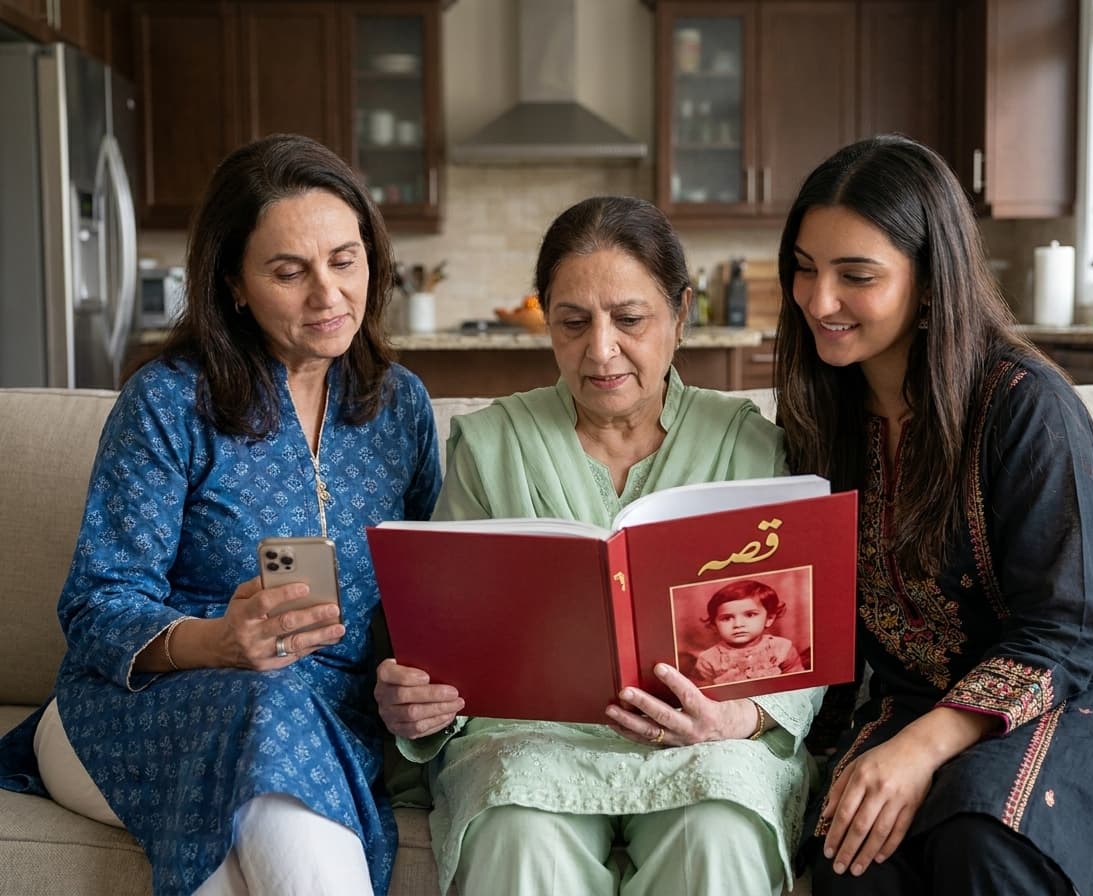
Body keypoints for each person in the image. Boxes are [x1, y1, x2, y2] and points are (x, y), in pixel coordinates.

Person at [0, 133, 442, 895]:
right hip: (134, 713)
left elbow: (432, 591)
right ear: (234, 283)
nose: (328, 295)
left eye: (345, 260)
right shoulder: (171, 402)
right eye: (288, 272)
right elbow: (98, 602)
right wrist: (215, 642)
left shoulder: (399, 406)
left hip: (324, 719)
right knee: (265, 709)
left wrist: (418, 680)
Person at [773, 134, 1093, 895]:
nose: (818, 299)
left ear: (932, 284)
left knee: (983, 836)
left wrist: (918, 750)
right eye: (804, 269)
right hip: (920, 702)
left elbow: (1065, 632)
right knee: (851, 854)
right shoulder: (821, 417)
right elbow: (822, 624)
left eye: (855, 275)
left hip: (1092, 692)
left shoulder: (1025, 406)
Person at [374, 195, 826, 896]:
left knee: (720, 829)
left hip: (699, 742)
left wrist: (742, 715)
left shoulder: (750, 444)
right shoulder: (492, 444)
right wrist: (420, 701)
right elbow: (443, 646)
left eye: (630, 319)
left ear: (679, 314)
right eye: (573, 322)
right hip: (529, 744)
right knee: (515, 833)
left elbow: (801, 639)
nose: (600, 349)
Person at [691, 579, 805, 686]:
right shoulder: (708, 659)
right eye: (727, 618)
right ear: (715, 625)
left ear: (769, 619)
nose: (738, 624)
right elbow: (701, 695)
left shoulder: (782, 648)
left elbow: (798, 684)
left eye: (750, 615)